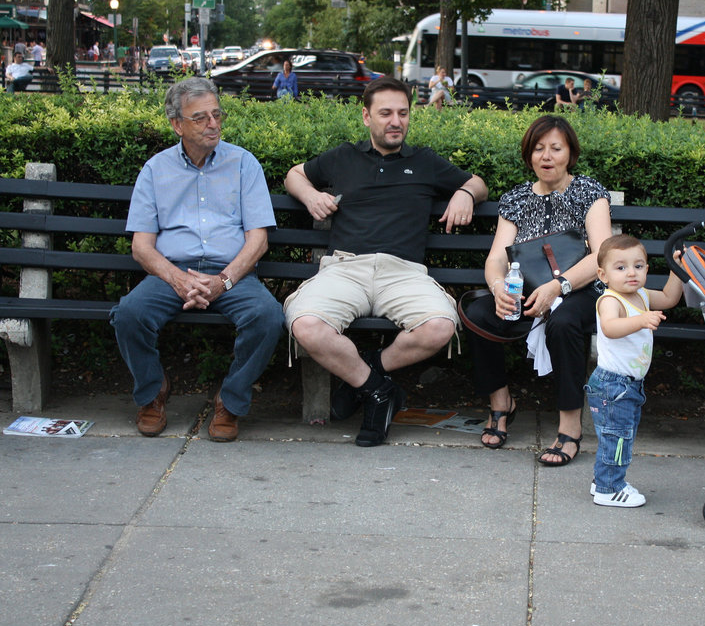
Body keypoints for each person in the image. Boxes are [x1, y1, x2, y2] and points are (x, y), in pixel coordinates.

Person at [283, 76, 487, 447]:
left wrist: (464, 193)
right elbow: (294, 174)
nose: (396, 121)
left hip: (403, 273)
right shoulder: (343, 156)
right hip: (345, 268)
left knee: (440, 327)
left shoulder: (424, 162)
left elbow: (478, 183)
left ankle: (364, 377)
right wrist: (311, 195)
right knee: (307, 326)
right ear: (366, 116)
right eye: (386, 113)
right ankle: (379, 392)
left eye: (403, 113)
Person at [109, 77, 285, 442]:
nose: (213, 124)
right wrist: (178, 280)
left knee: (267, 317)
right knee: (129, 314)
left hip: (232, 274)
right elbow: (142, 248)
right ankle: (152, 392)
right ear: (177, 124)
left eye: (217, 114)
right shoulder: (155, 170)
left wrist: (224, 281)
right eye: (200, 117)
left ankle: (231, 403)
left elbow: (258, 240)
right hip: (171, 274)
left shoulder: (243, 164)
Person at [461, 115, 612, 465]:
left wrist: (558, 286)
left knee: (564, 323)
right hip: (527, 291)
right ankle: (501, 404)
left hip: (581, 290)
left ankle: (570, 427)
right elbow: (496, 259)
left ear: (569, 153)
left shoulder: (589, 193)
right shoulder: (515, 199)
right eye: (539, 149)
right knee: (479, 313)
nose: (547, 156)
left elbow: (603, 255)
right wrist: (498, 288)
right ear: (529, 155)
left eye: (555, 148)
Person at [586, 234, 682, 507]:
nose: (631, 273)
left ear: (646, 270)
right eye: (621, 267)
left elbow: (668, 297)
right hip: (612, 384)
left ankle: (602, 480)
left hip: (629, 384)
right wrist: (640, 320)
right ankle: (609, 488)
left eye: (638, 266)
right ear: (603, 275)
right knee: (617, 438)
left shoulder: (641, 294)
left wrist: (676, 269)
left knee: (617, 435)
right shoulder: (610, 300)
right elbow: (610, 328)